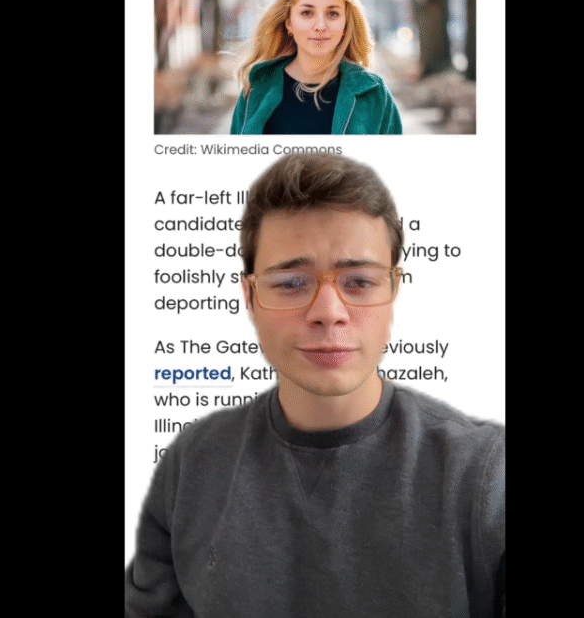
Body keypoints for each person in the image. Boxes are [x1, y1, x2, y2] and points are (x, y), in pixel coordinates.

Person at [125, 153, 503, 617]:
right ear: (250, 296)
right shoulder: (191, 463)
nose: (329, 310)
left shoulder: (487, 479)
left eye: (360, 281)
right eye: (290, 282)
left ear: (394, 292)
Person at [230, 0, 403, 135]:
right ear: (289, 22)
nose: (320, 26)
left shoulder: (373, 93)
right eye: (307, 13)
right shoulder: (256, 90)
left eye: (332, 13)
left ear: (346, 24)